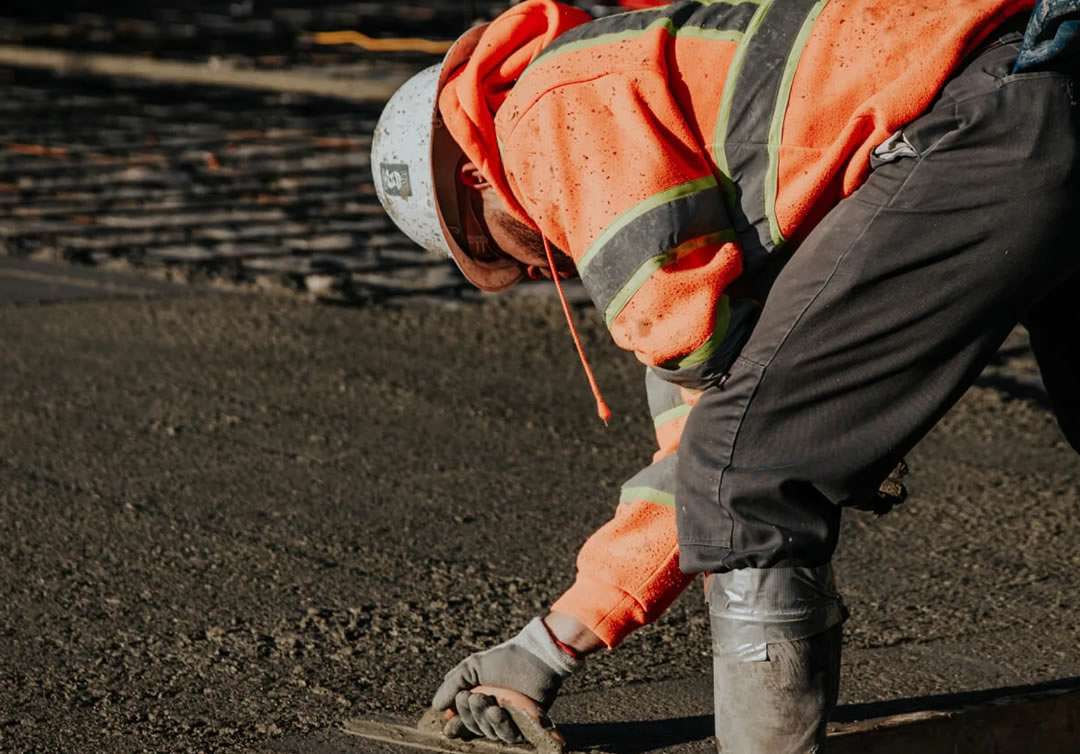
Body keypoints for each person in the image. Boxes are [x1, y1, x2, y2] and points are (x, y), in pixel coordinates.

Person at [369, 0, 1079, 750]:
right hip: (1044, 85)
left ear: (476, 173)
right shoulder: (684, 150)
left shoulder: (543, 117)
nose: (532, 263)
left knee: (750, 479)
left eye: (491, 245)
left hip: (982, 125)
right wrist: (545, 648)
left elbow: (722, 451)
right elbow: (693, 447)